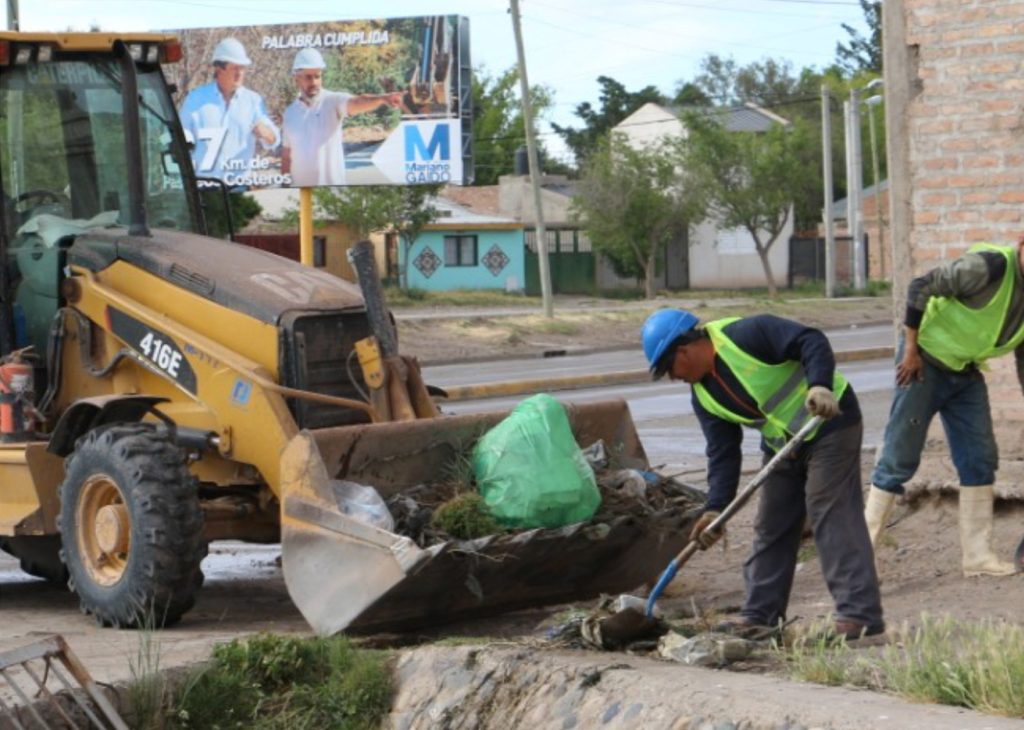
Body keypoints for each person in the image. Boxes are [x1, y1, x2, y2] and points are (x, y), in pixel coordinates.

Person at [642, 309, 884, 640]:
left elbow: (810, 339)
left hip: (829, 423)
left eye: (669, 369)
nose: (673, 377)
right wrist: (716, 509)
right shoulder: (703, 396)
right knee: (772, 523)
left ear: (683, 350)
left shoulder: (745, 334)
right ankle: (761, 615)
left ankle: (861, 618)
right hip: (783, 445)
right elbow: (723, 454)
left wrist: (819, 386)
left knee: (830, 510)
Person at [865, 238, 1024, 577]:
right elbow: (920, 286)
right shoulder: (989, 267)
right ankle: (860, 560)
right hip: (923, 363)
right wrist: (910, 349)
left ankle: (977, 558)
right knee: (899, 457)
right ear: (1022, 242)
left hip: (965, 372)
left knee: (980, 457)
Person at [281, 48, 404, 187]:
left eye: (317, 76)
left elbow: (357, 102)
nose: (314, 82)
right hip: (300, 196)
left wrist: (382, 99)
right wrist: (283, 187)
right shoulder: (290, 113)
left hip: (331, 195)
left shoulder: (332, 101)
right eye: (308, 77)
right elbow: (287, 156)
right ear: (296, 77)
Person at [178, 37, 279, 183]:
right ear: (219, 69)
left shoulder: (253, 101)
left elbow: (273, 140)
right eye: (235, 68)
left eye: (242, 68)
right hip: (204, 189)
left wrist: (267, 134)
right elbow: (181, 141)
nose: (240, 74)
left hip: (240, 189)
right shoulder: (195, 99)